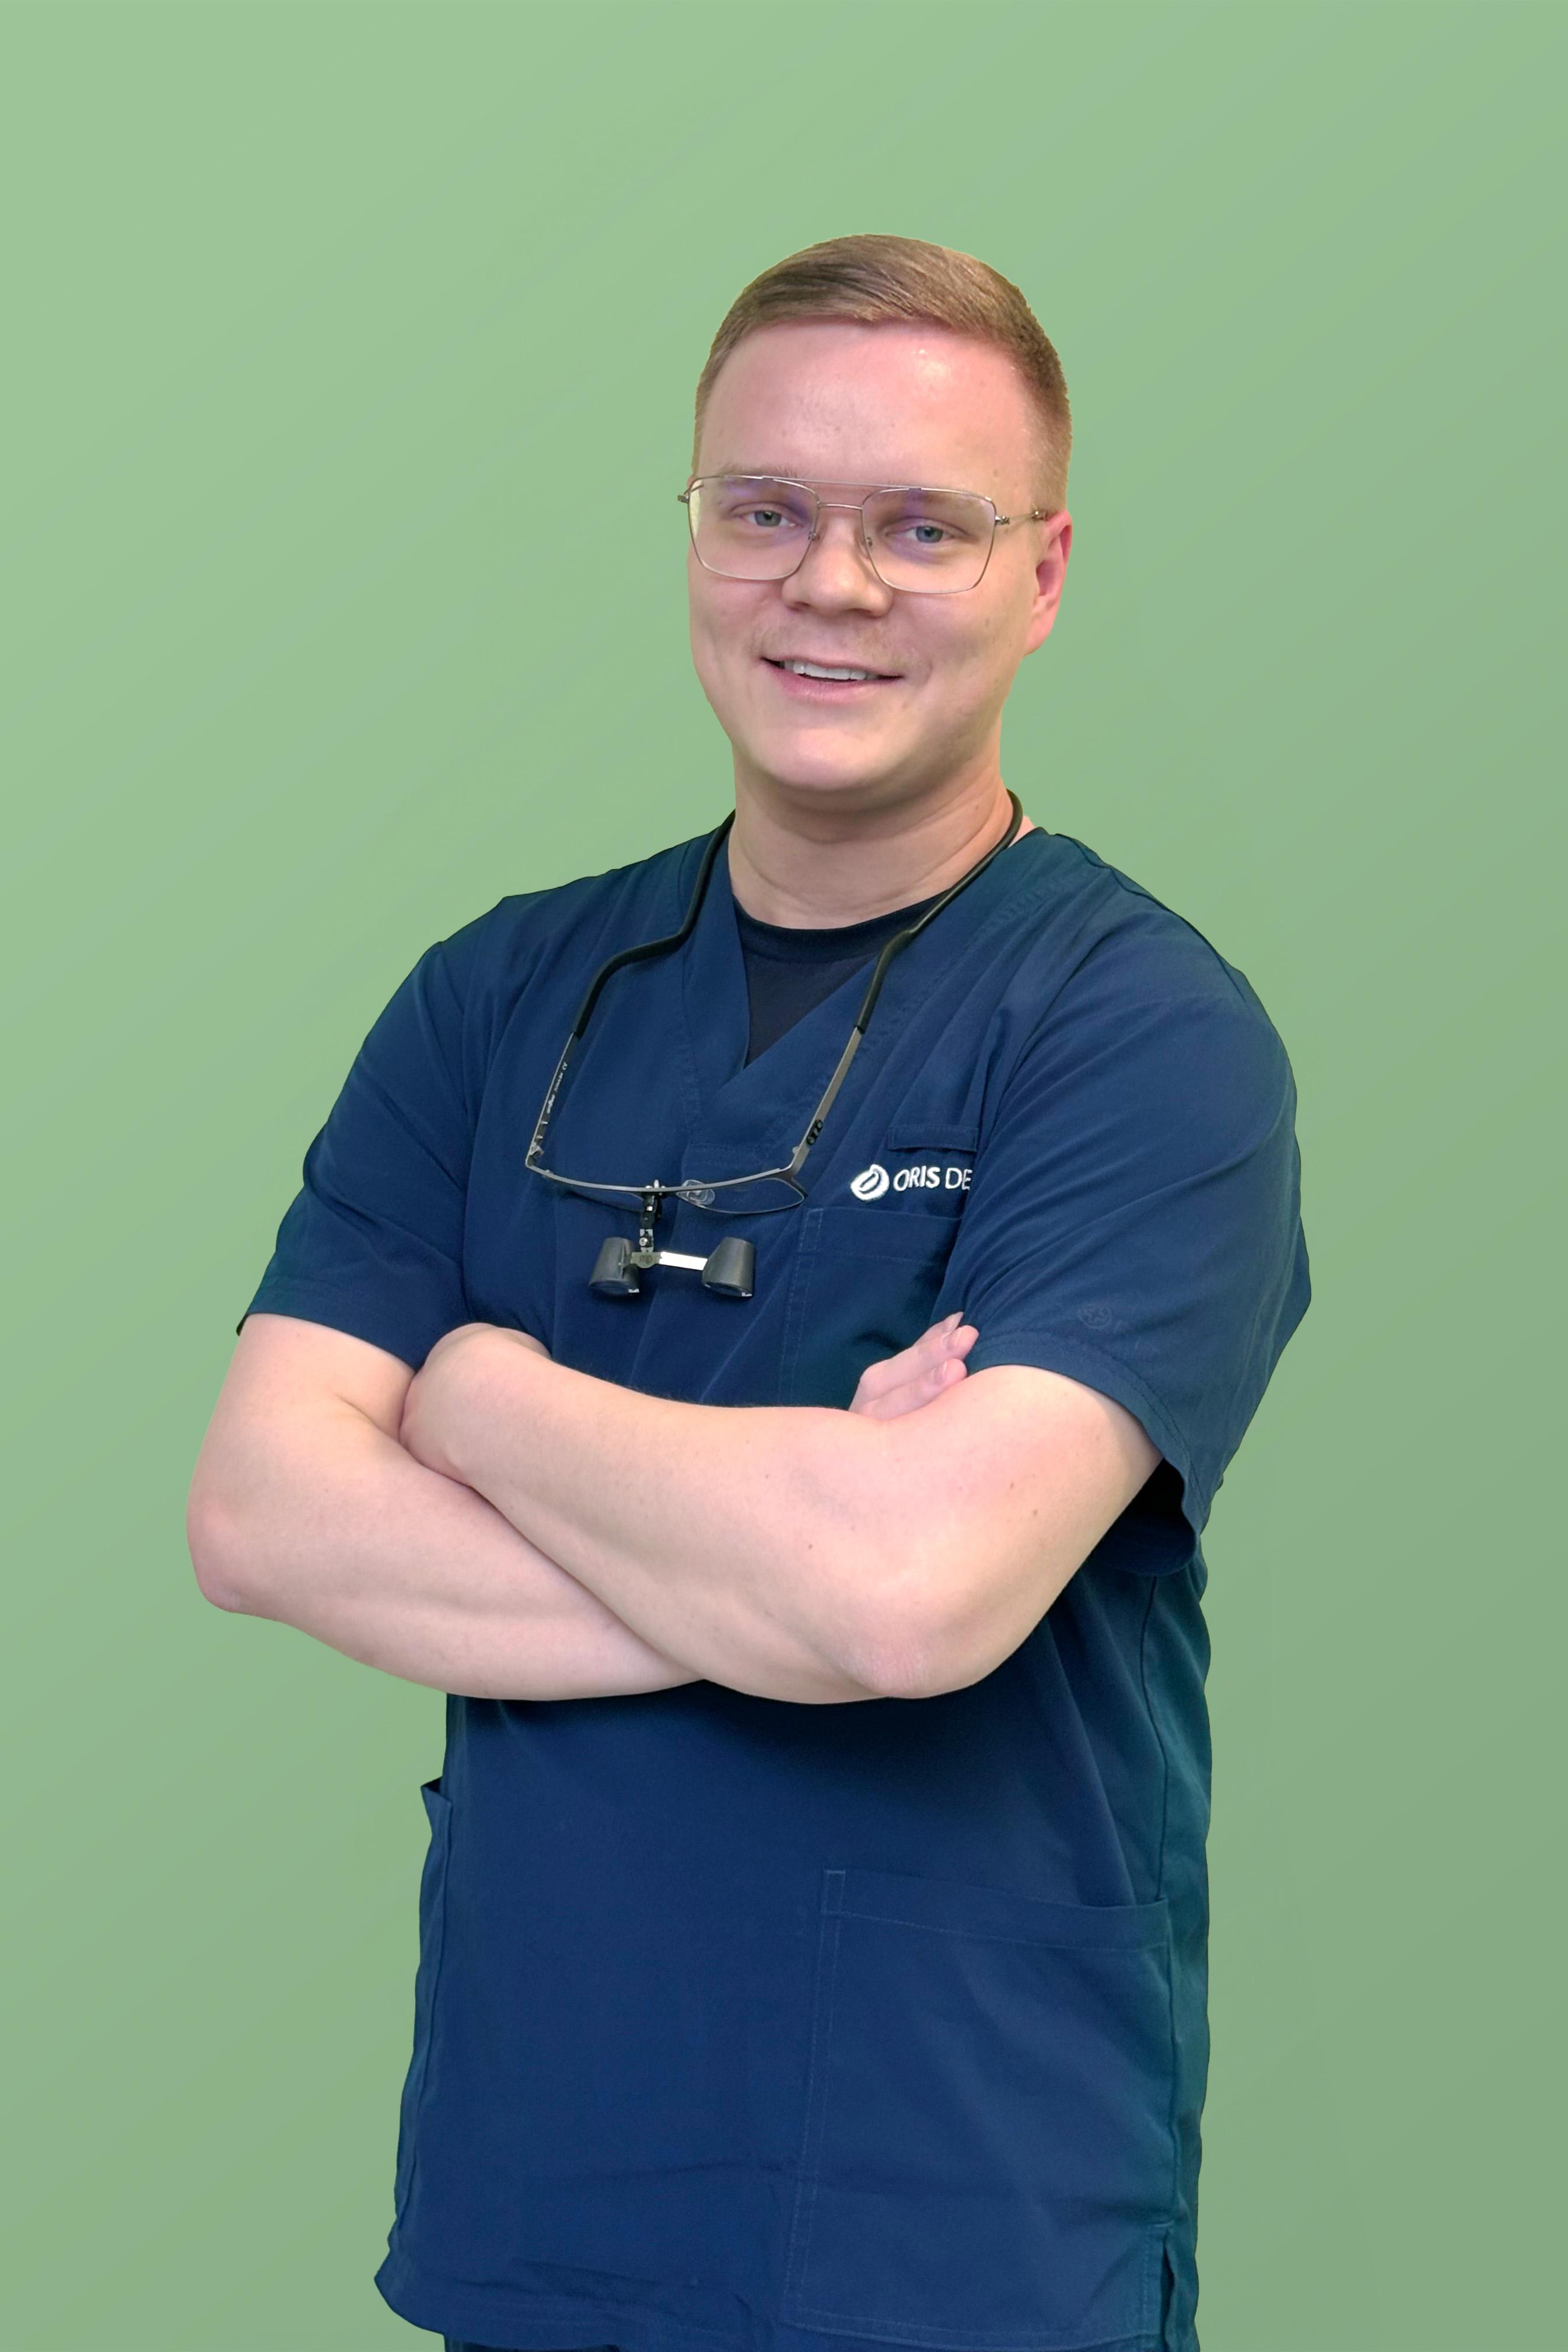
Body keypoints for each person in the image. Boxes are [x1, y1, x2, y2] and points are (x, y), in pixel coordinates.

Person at [187, 233, 1310, 2352]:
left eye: (924, 527)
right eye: (767, 509)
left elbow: (907, 1602)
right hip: (548, 2190)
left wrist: (475, 1392)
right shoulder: (496, 997)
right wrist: (794, 1564)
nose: (833, 583)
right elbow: (257, 1516)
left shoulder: (1141, 1034)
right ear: (695, 533)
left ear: (1045, 573)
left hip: (955, 2209)